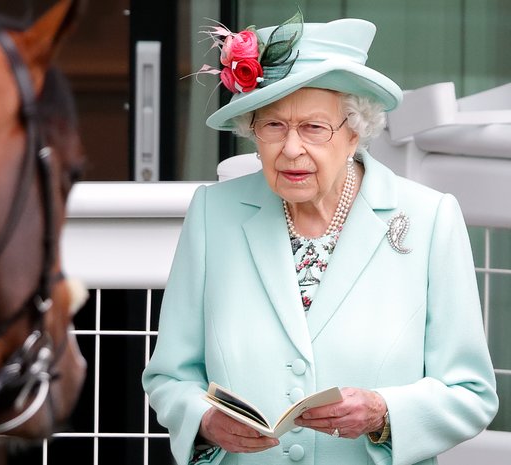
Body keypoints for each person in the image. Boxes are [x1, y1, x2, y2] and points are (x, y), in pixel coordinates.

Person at [142, 12, 499, 465]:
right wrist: (204, 422)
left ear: (355, 132)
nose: (291, 149)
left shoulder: (429, 220)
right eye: (273, 126)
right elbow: (169, 376)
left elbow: (470, 394)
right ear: (252, 131)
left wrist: (382, 413)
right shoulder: (214, 216)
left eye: (313, 128)